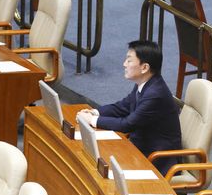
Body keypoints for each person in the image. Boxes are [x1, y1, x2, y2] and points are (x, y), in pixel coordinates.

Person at [76, 40, 181, 175]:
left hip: (157, 159)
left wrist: (92, 120)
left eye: (129, 61)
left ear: (144, 68)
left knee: (100, 165)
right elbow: (123, 106)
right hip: (140, 147)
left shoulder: (155, 94)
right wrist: (94, 112)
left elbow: (128, 124)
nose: (124, 64)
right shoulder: (146, 83)